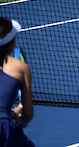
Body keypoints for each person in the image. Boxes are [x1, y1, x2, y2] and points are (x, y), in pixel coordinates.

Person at [0, 18, 35, 147]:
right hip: (3, 128)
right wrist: (19, 117)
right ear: (12, 42)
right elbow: (28, 115)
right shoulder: (20, 68)